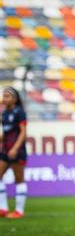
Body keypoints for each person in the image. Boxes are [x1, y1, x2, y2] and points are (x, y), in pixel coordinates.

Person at [0, 87, 28, 219]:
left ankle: (19, 210)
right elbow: (6, 134)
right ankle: (3, 208)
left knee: (19, 179)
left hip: (17, 150)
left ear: (15, 99)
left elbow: (23, 132)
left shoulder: (19, 112)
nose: (4, 99)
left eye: (7, 96)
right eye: (3, 96)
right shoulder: (4, 113)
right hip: (5, 150)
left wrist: (15, 148)